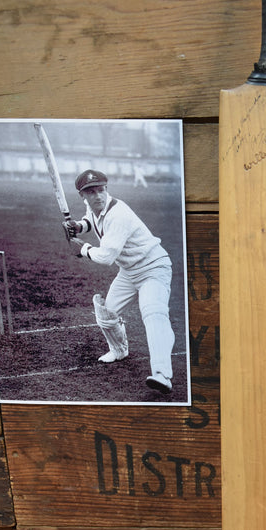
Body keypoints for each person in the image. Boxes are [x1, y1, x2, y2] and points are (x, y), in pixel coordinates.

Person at [65, 169, 175, 395]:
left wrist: (83, 248)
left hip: (153, 267)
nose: (98, 196)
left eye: (101, 190)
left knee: (153, 314)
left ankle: (162, 374)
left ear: (107, 189)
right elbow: (90, 220)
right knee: (107, 314)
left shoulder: (119, 214)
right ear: (83, 196)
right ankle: (119, 350)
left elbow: (106, 257)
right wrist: (78, 226)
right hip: (129, 271)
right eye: (91, 192)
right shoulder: (93, 205)